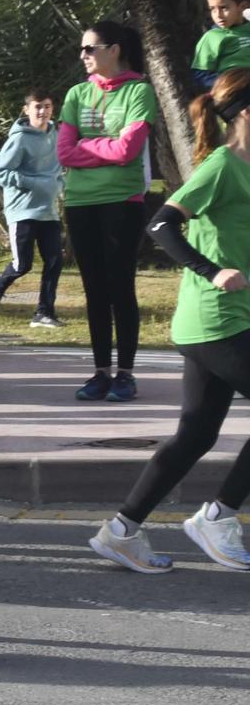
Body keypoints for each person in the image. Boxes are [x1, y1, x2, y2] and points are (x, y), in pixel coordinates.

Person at [88, 68, 250, 573]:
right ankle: (218, 516)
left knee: (196, 436)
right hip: (217, 319)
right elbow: (161, 224)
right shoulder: (222, 164)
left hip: (228, 320)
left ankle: (120, 531)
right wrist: (211, 270)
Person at [59, 20, 160, 402]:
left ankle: (125, 373)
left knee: (120, 287)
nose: (83, 56)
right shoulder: (75, 95)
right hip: (80, 203)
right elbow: (64, 151)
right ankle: (100, 371)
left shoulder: (139, 91)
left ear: (114, 50)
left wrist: (90, 149)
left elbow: (128, 151)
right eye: (82, 49)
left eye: (90, 48)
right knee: (94, 290)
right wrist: (106, 147)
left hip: (122, 202)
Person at [0, 89, 65, 327]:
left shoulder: (56, 135)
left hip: (48, 210)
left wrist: (59, 184)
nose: (43, 111)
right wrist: (32, 183)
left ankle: (44, 313)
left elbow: (58, 168)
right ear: (26, 110)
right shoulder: (19, 138)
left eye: (47, 106)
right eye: (37, 106)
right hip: (23, 210)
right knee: (23, 264)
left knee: (54, 261)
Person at [192, 0, 250, 91]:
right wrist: (228, 83)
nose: (218, 15)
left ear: (242, 6)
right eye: (212, 9)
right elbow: (201, 75)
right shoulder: (212, 37)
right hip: (235, 93)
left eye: (224, 8)